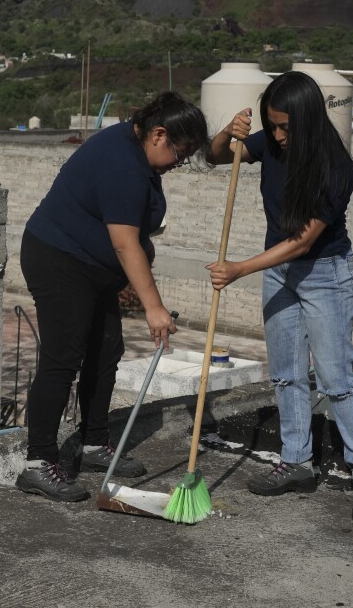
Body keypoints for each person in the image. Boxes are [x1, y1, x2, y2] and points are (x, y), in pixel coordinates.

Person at [205, 71, 353, 524]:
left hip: (324, 273)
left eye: (286, 127)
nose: (278, 136)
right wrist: (230, 131)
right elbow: (215, 158)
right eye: (273, 125)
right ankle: (297, 461)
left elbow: (305, 242)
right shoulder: (270, 140)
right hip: (277, 270)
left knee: (335, 379)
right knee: (285, 374)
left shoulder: (335, 167)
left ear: (307, 120)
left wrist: (241, 268)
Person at [15, 91, 209, 502]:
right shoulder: (122, 166)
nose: (180, 162)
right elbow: (124, 243)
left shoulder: (134, 143)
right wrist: (153, 308)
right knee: (63, 357)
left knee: (105, 352)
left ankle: (92, 444)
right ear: (159, 134)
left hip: (93, 268)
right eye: (180, 151)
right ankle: (38, 463)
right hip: (61, 260)